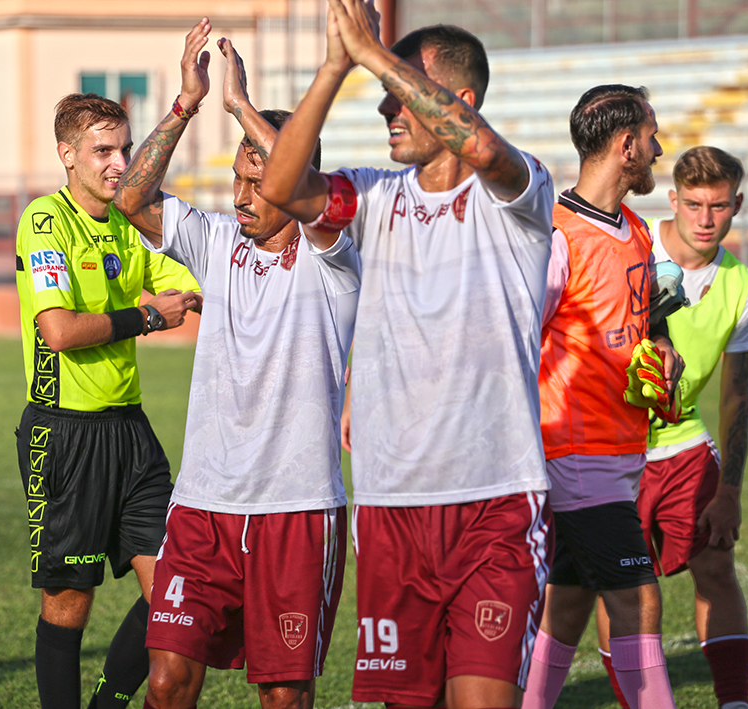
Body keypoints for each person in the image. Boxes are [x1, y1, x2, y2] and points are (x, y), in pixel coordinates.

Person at [261, 2, 555, 707]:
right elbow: (277, 188)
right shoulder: (369, 196)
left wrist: (372, 53)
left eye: (399, 95)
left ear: (461, 101)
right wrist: (339, 63)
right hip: (392, 508)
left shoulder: (518, 190)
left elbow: (481, 149)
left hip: (495, 501)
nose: (386, 109)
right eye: (384, 97)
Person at [112, 18, 360, 709]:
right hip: (202, 508)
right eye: (234, 180)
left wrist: (241, 107)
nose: (240, 196)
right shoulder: (217, 242)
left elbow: (310, 190)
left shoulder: (331, 256)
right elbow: (130, 199)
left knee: (283, 695)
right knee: (166, 679)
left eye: (256, 180)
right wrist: (187, 103)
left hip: (297, 510)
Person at [13, 91, 201, 709]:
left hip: (132, 434)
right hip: (65, 432)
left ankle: (108, 703)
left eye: (124, 148)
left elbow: (195, 284)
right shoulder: (47, 219)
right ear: (67, 155)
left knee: (172, 589)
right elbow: (59, 331)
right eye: (103, 151)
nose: (119, 163)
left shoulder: (130, 221)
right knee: (70, 601)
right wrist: (147, 317)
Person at [522, 84, 684, 709]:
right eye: (650, 135)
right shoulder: (556, 236)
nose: (658, 146)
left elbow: (647, 318)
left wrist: (661, 343)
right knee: (638, 599)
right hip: (573, 452)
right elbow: (513, 338)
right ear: (625, 146)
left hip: (620, 452)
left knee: (568, 602)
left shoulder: (638, 230)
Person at [594, 147, 748, 709]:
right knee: (619, 585)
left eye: (719, 205)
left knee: (716, 561)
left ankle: (735, 702)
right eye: (693, 204)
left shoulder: (744, 289)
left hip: (683, 443)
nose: (706, 218)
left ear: (736, 204)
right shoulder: (629, 246)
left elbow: (737, 400)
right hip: (608, 444)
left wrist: (731, 493)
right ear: (673, 200)